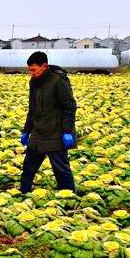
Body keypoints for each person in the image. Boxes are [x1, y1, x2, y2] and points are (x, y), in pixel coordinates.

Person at [19, 51, 77, 193]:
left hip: (55, 132)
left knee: (60, 168)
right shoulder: (34, 81)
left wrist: (67, 132)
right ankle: (23, 192)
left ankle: (68, 195)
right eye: (29, 70)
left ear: (44, 66)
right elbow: (32, 108)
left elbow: (69, 106)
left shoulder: (58, 80)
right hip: (38, 132)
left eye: (33, 69)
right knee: (28, 167)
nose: (31, 73)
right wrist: (26, 130)